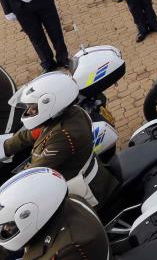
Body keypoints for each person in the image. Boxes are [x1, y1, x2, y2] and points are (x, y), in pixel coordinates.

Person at [2, 72, 118, 206]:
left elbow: (32, 174)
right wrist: (5, 147)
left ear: (49, 103)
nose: (28, 111)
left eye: (33, 108)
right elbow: (30, 134)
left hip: (84, 195)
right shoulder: (69, 112)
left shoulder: (62, 135)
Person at [0, 167, 110, 259]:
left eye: (6, 228)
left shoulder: (65, 250)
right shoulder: (71, 200)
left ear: (26, 215)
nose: (6, 230)